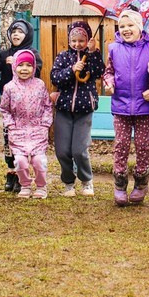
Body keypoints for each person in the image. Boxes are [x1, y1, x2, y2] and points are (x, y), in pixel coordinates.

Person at [103, 7, 149, 206]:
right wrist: (109, 83)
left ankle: (141, 184)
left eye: (130, 25)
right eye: (122, 26)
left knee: (143, 146)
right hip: (121, 105)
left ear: (139, 27)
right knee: (121, 145)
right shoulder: (114, 48)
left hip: (144, 106)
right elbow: (108, 72)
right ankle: (119, 186)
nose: (126, 29)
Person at [49, 20, 106, 196]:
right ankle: (68, 183)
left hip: (84, 109)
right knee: (62, 151)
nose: (77, 44)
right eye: (74, 41)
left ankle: (86, 180)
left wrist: (93, 52)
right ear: (69, 40)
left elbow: (99, 72)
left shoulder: (91, 56)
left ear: (87, 40)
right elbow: (55, 77)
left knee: (79, 150)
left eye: (81, 40)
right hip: (64, 109)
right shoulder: (63, 57)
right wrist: (72, 69)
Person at [0, 17, 39, 193]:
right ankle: (11, 172)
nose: (16, 34)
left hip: (26, 108)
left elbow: (37, 73)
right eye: (13, 31)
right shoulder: (5, 54)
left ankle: (22, 174)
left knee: (23, 140)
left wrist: (19, 64)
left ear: (27, 35)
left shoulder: (32, 54)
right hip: (8, 107)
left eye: (20, 32)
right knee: (8, 139)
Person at [0, 50, 53, 198]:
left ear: (34, 67)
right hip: (18, 131)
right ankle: (25, 185)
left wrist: (45, 124)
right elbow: (4, 108)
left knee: (39, 161)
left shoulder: (39, 85)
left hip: (37, 131)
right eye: (21, 65)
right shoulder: (9, 87)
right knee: (20, 161)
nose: (24, 69)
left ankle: (41, 187)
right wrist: (11, 125)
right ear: (14, 67)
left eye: (28, 65)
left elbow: (47, 106)